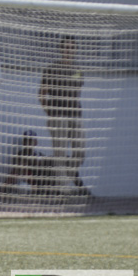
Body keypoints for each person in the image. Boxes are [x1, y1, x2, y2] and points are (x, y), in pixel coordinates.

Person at [39, 35, 85, 192]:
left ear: (75, 50)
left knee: (80, 153)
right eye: (66, 47)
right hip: (58, 116)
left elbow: (77, 94)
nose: (68, 50)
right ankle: (64, 191)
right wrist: (50, 113)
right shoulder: (51, 69)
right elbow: (41, 94)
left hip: (75, 116)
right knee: (60, 154)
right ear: (61, 49)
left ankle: (64, 180)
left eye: (71, 47)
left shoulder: (78, 71)